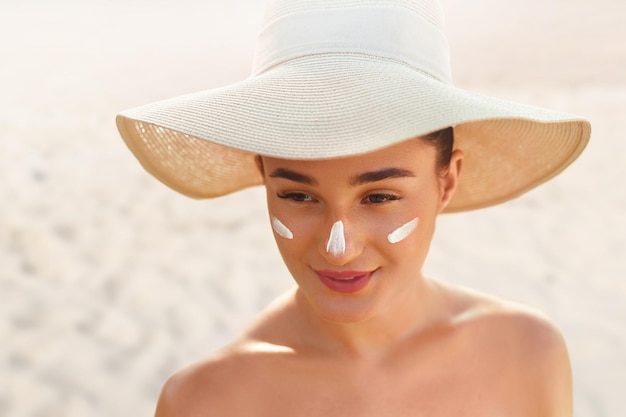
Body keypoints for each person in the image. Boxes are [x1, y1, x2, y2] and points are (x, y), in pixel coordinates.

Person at [116, 0, 590, 415]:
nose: (338, 248)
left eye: (379, 197)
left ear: (447, 181)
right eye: (298, 195)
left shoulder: (526, 353)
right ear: (263, 177)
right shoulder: (206, 403)